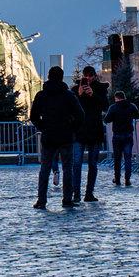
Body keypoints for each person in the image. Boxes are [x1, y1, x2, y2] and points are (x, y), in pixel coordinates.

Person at [31, 66, 86, 211]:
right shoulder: (68, 95)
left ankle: (41, 200)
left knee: (45, 169)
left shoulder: (41, 95)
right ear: (62, 78)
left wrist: (42, 126)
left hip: (48, 136)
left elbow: (33, 116)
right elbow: (80, 115)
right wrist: (72, 128)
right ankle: (67, 199)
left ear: (48, 77)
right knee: (68, 168)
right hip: (66, 136)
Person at [75, 67, 110, 203]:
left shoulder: (100, 89)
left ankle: (89, 193)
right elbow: (72, 106)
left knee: (93, 164)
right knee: (76, 163)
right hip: (79, 131)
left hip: (94, 131)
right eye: (86, 76)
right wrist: (79, 94)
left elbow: (105, 106)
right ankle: (76, 193)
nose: (88, 78)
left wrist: (92, 95)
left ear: (94, 76)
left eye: (90, 76)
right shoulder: (76, 89)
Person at [106, 90, 139, 188]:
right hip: (128, 135)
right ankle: (127, 179)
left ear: (116, 98)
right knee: (128, 158)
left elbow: (106, 119)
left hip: (117, 136)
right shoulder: (131, 106)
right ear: (124, 97)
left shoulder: (113, 107)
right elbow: (137, 114)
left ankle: (117, 179)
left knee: (117, 158)